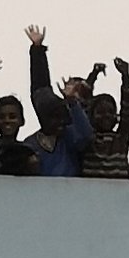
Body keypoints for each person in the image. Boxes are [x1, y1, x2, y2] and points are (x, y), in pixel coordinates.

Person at [24, 26, 93, 177]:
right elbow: (40, 87)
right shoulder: (30, 145)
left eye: (63, 116)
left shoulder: (68, 138)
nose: (60, 122)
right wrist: (37, 50)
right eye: (54, 117)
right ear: (42, 117)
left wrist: (73, 103)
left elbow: (86, 136)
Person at [79, 64, 129, 180]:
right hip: (91, 193)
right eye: (100, 112)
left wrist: (125, 77)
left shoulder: (121, 138)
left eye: (111, 111)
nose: (106, 116)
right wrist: (94, 74)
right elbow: (82, 103)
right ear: (91, 116)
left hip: (118, 194)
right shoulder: (88, 138)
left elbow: (128, 111)